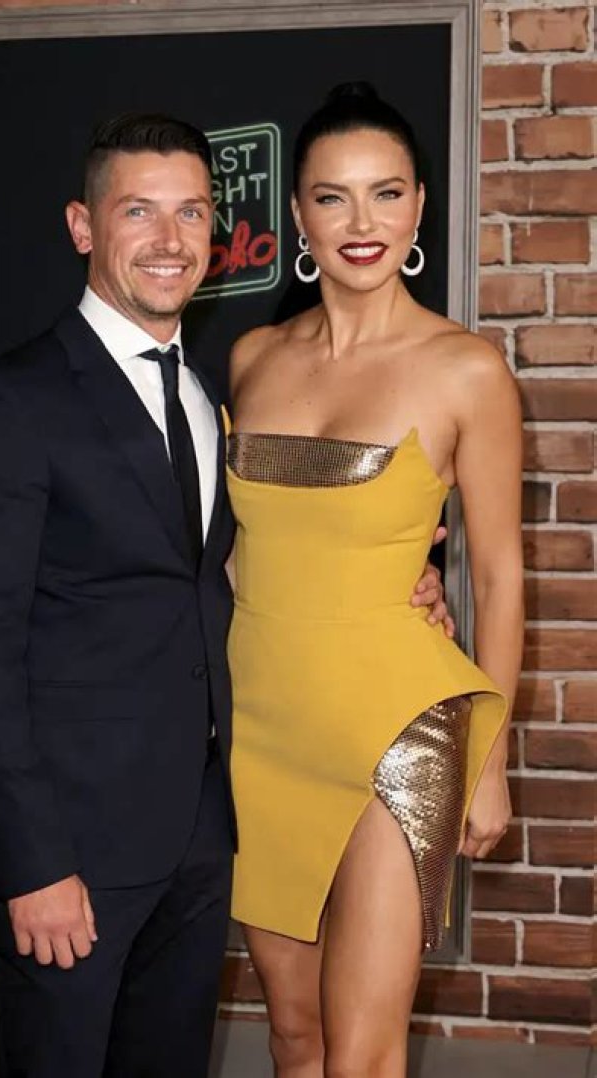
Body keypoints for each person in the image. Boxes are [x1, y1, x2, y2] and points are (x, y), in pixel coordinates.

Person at [0, 110, 450, 1078]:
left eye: (192, 212)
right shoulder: (11, 399)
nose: (168, 239)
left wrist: (401, 581)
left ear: (218, 231)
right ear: (83, 227)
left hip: (200, 840)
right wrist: (33, 861)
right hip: (67, 851)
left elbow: (236, 570)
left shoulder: (216, 396)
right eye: (138, 211)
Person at [227, 83, 523, 1078]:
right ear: (298, 215)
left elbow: (499, 575)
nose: (363, 223)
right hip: (264, 728)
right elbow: (239, 548)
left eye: (387, 193)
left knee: (361, 1054)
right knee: (295, 1038)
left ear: (420, 206)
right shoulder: (253, 357)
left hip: (400, 728)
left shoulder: (466, 370)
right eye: (334, 197)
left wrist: (490, 758)